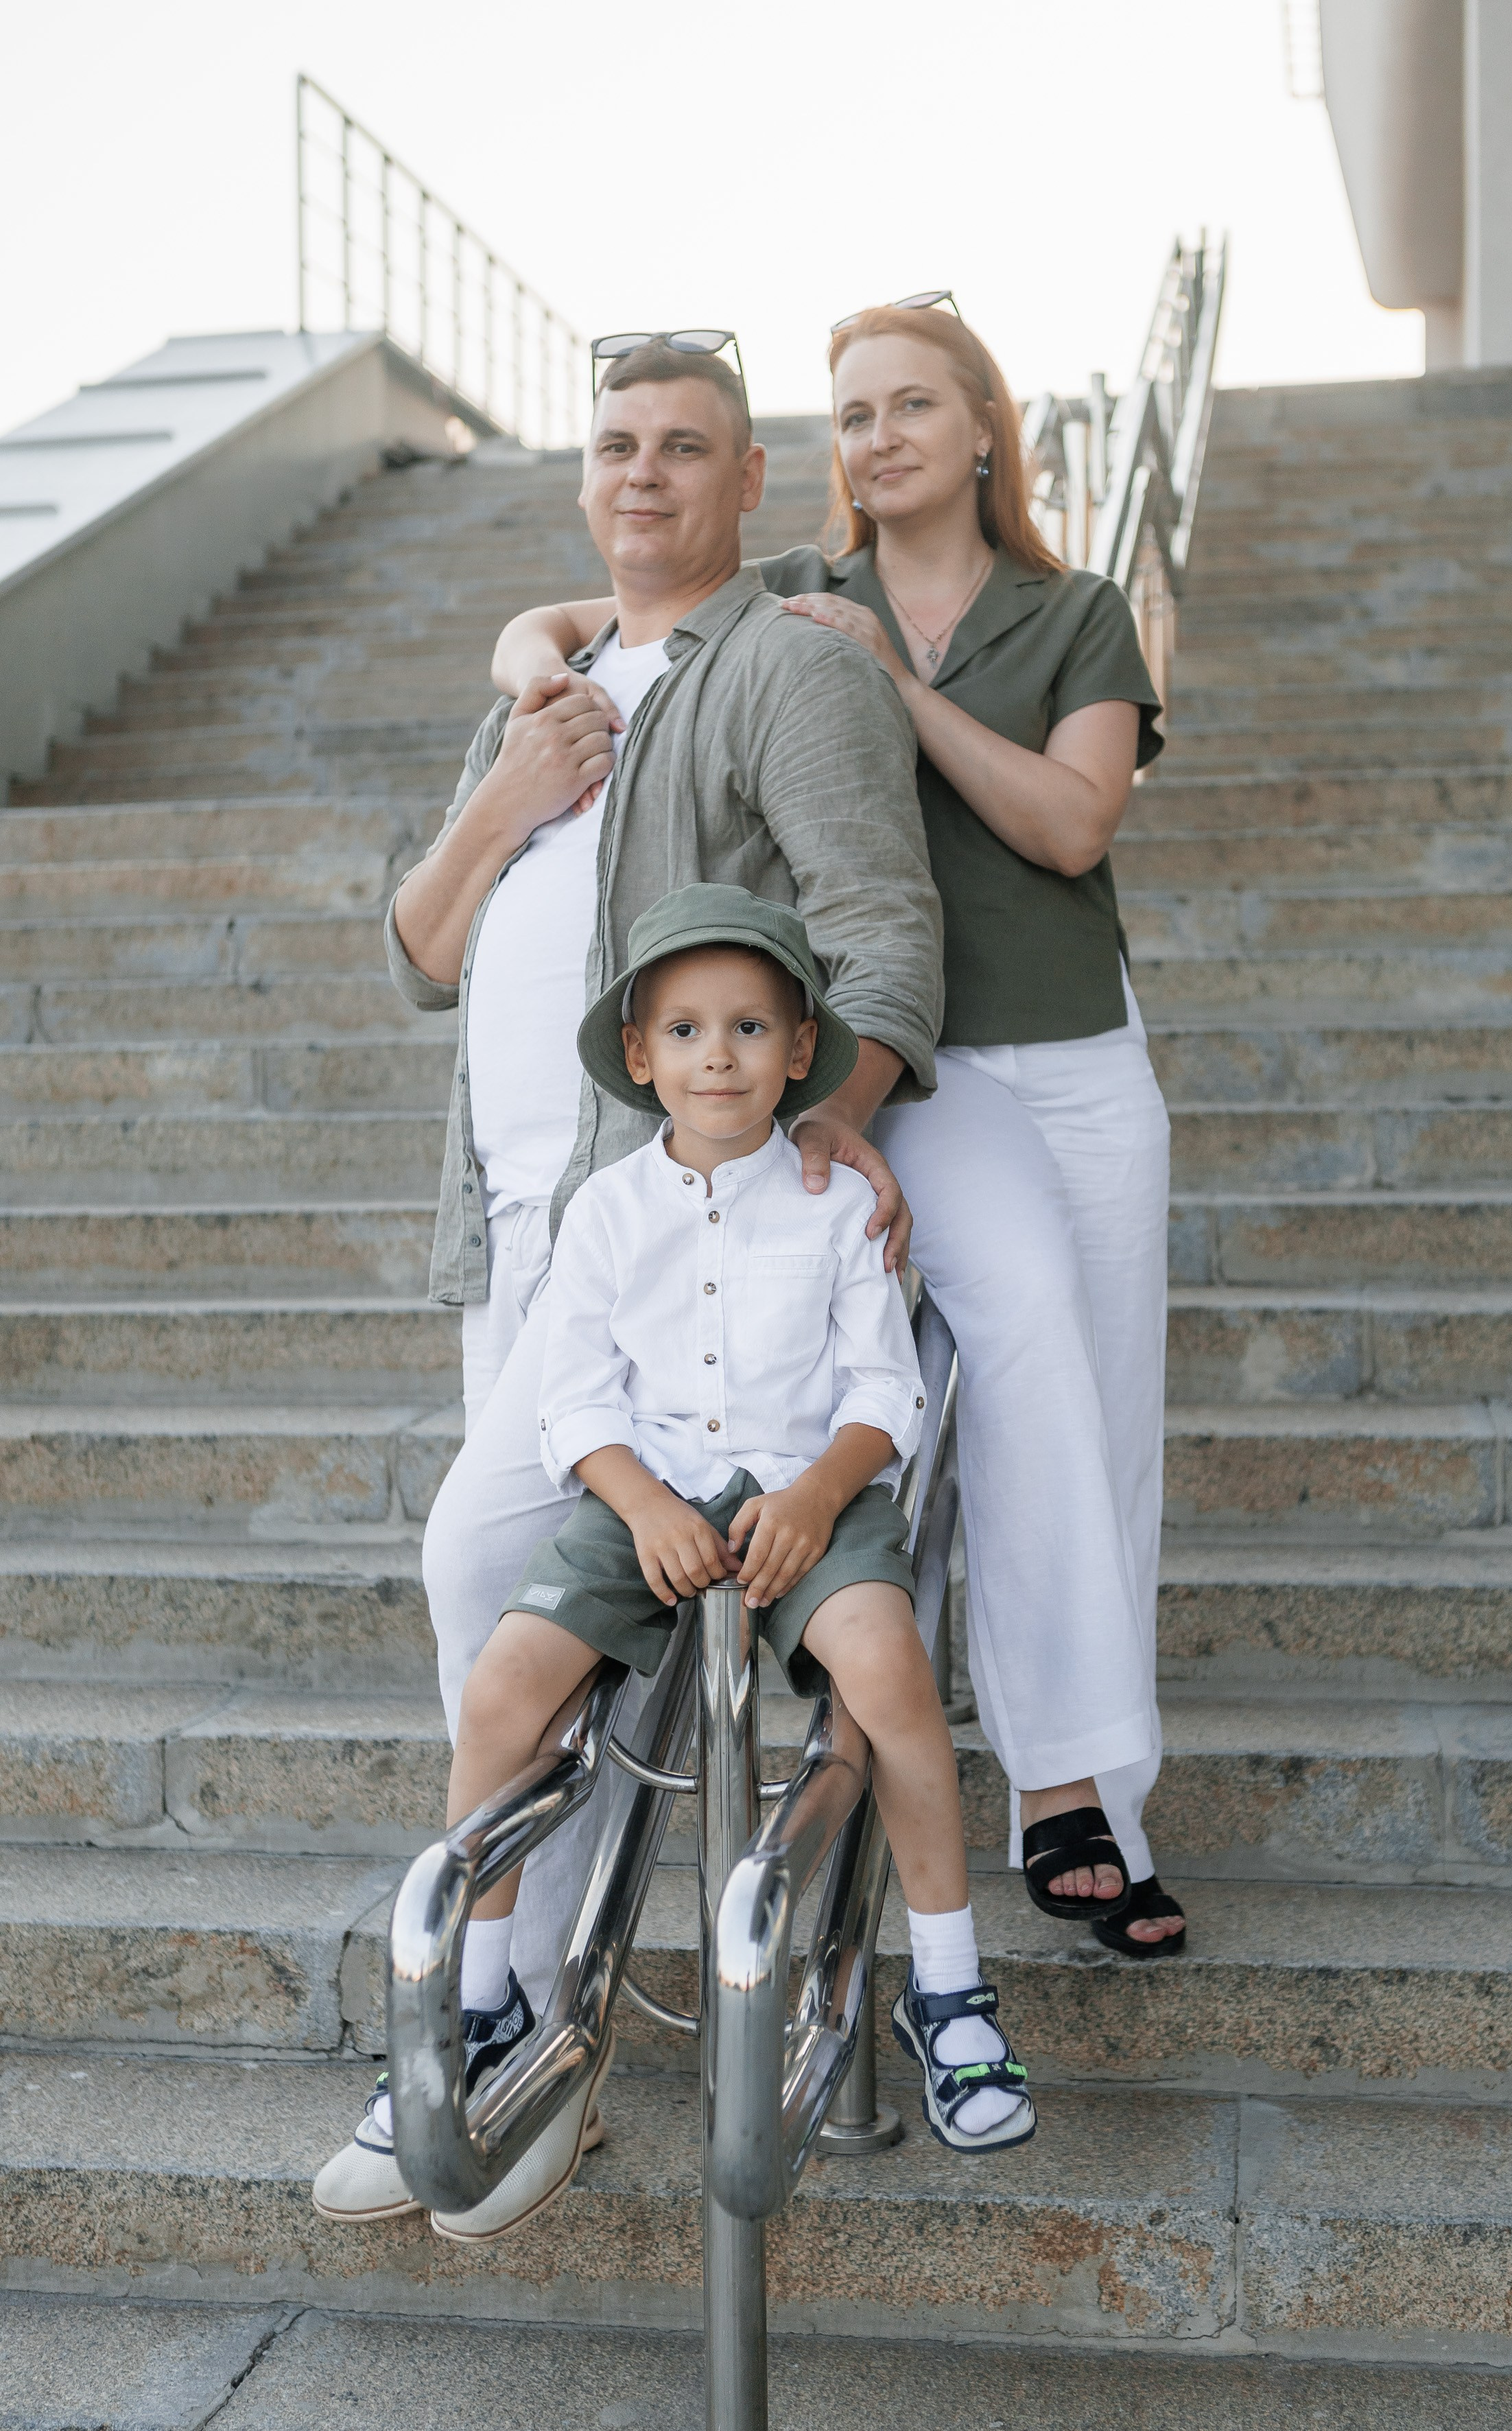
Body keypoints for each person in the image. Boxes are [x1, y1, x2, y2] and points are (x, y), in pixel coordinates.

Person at [313, 337, 943, 2229]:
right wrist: (509, 785)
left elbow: (883, 922)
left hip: (652, 1229)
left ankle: (504, 2011)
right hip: (504, 1226)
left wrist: (831, 1131)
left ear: (755, 478)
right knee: (530, 1602)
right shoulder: (551, 684)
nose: (643, 475)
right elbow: (421, 946)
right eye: (613, 446)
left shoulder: (787, 666)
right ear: (579, 477)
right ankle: (523, 2013)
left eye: (686, 447)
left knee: (475, 1564)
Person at [491, 301, 1185, 1957]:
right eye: (851, 413)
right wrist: (530, 666)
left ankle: (1078, 1784)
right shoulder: (805, 594)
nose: (876, 439)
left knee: (1085, 1396)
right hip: (885, 1059)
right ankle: (933, 1740)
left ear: (983, 428)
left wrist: (899, 685)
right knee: (979, 1349)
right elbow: (584, 609)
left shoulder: (1070, 611)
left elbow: (1074, 824)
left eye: (911, 407)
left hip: (1067, 1055)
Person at [415, 886, 1036, 2240]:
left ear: (799, 1047)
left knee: (887, 1669)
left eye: (749, 1025)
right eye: (686, 1028)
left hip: (806, 1493)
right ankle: (479, 1990)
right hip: (646, 1498)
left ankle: (946, 1988)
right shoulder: (606, 1209)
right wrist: (638, 1504)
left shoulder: (836, 1207)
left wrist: (820, 1492)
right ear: (638, 1053)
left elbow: (886, 1390)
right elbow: (571, 1401)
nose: (717, 1055)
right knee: (507, 1683)